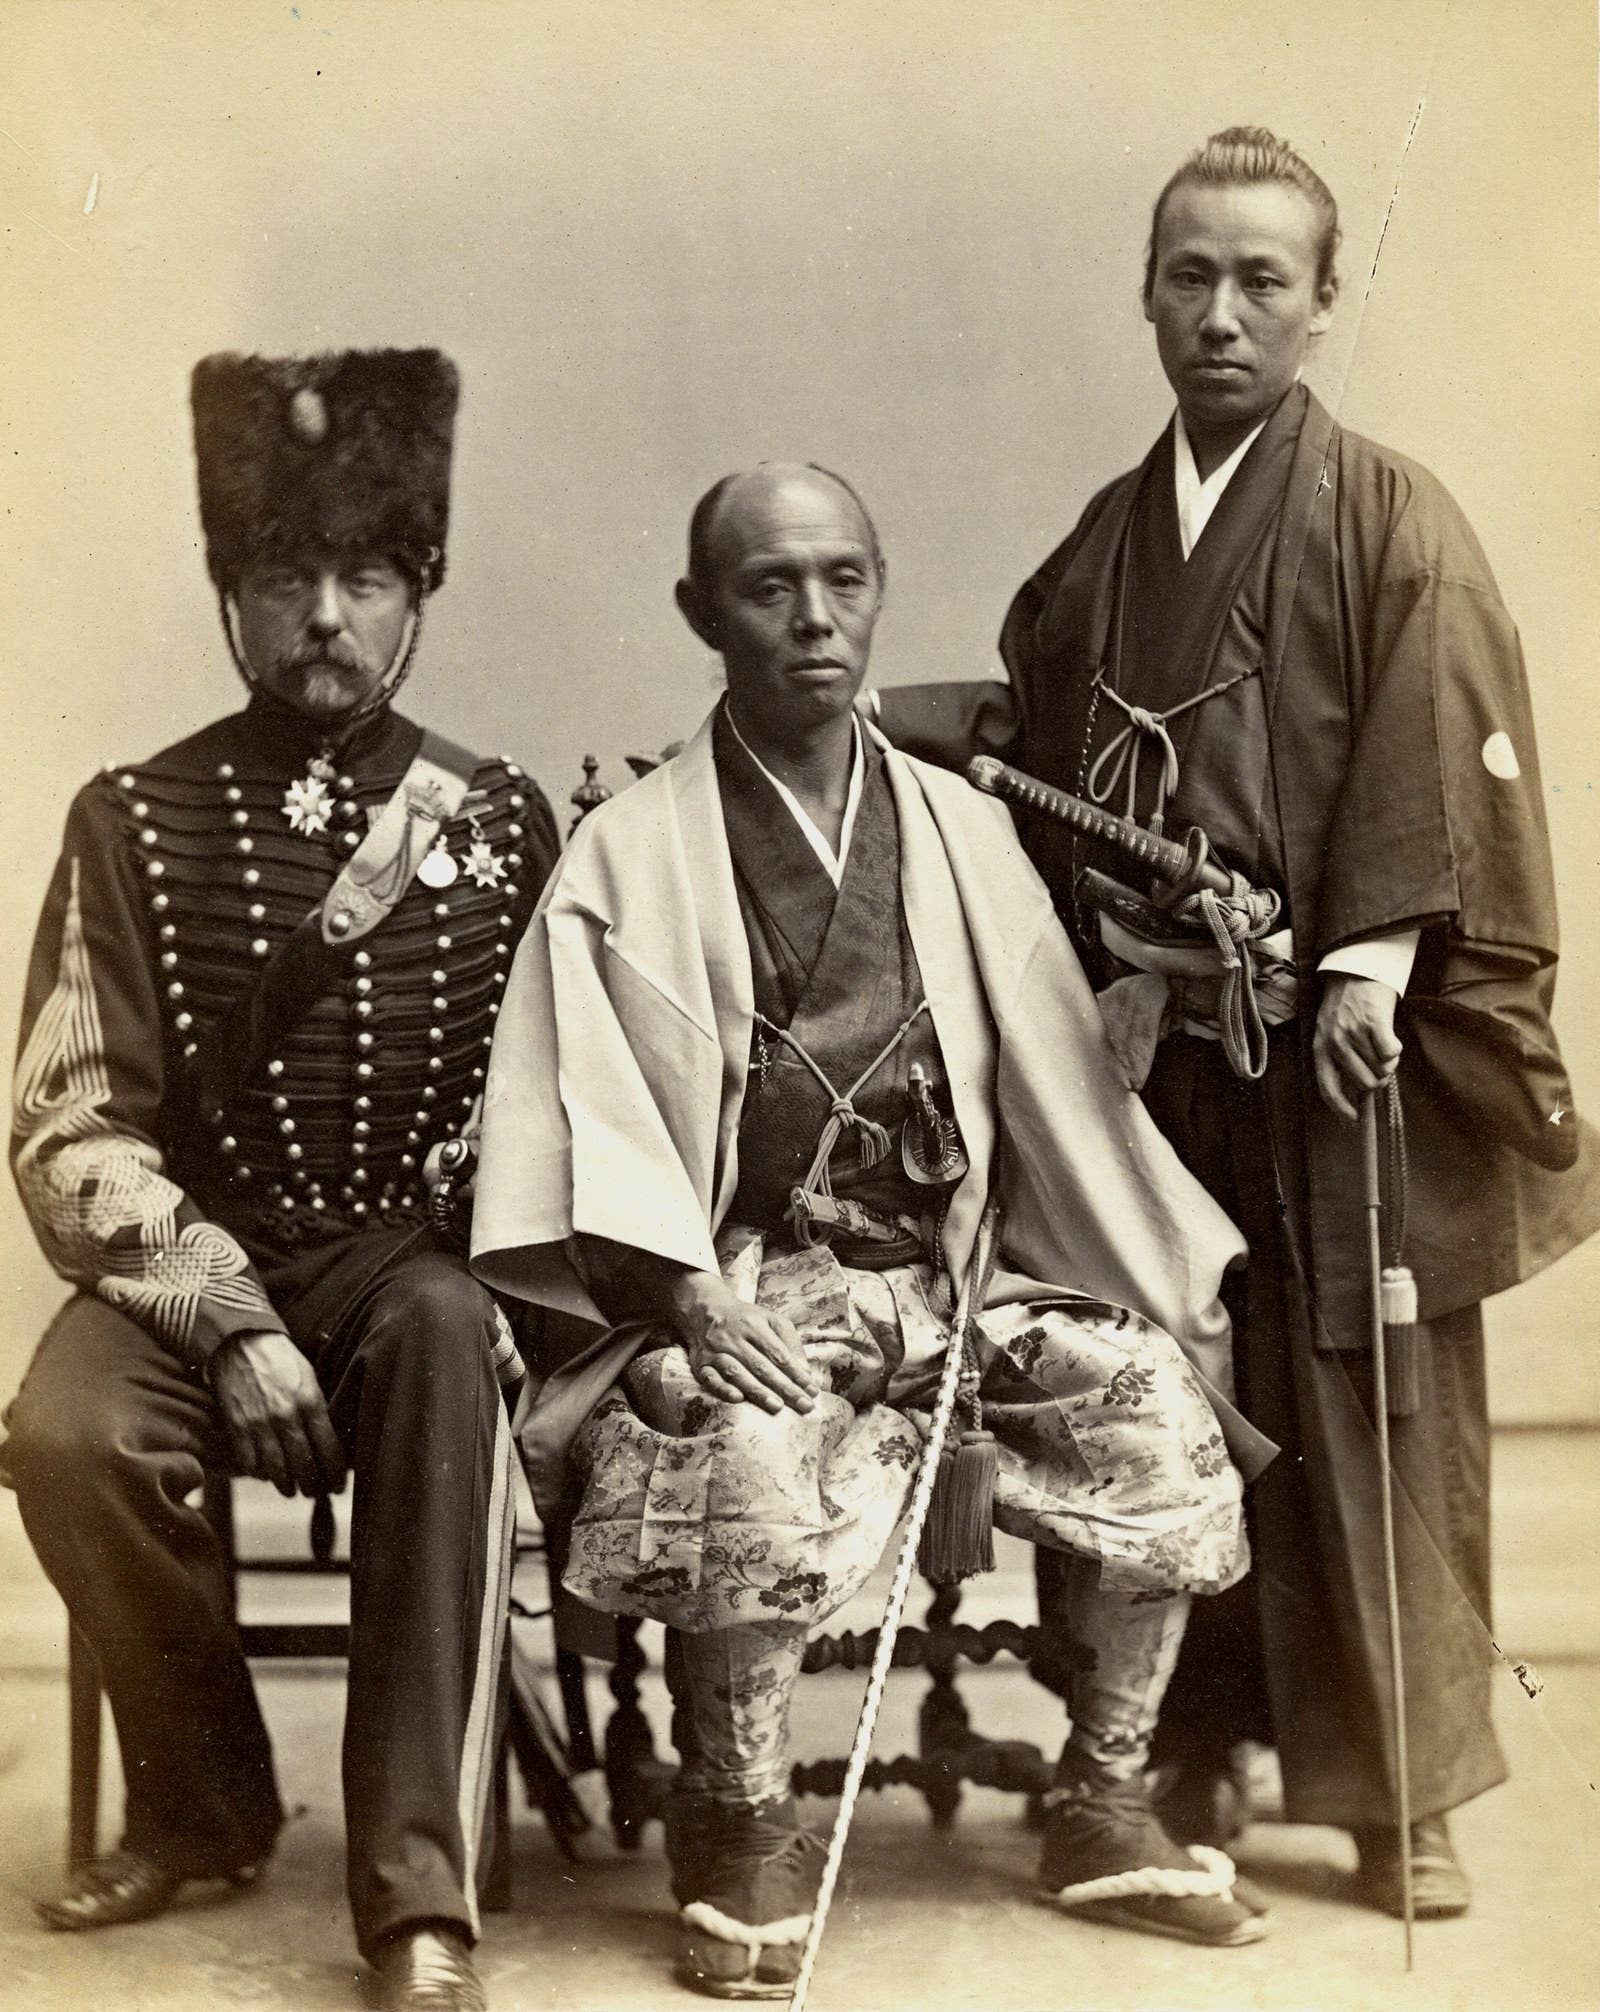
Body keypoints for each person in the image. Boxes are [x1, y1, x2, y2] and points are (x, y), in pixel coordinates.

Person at [871, 128, 1600, 1919]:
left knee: (1360, 1399)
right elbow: (1040, 759)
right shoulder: (1105, 549)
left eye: (1264, 279)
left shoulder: (1389, 519)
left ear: (1324, 302)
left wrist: (1368, 968)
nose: (1223, 314)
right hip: (1162, 1053)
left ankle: (1401, 1789)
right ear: (1146, 293)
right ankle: (1173, 1745)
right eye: (1189, 276)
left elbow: (1442, 760)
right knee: (1167, 1388)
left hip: (1330, 1047)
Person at [471, 460, 1283, 1999]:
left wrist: (1127, 1187)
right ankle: (740, 1818)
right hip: (746, 1279)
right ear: (701, 613)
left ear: (879, 590)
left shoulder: (959, 825)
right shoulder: (629, 853)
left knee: (1156, 1412)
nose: (815, 620)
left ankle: (1102, 1799)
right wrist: (696, 1300)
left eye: (845, 580)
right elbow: (587, 1118)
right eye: (770, 588)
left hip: (950, 1269)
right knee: (741, 1445)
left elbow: (1046, 1074)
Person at [2, 349, 558, 2012]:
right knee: (66, 1436)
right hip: (191, 1269)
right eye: (282, 576)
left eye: (364, 576)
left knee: (454, 1344)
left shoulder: (512, 822)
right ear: (229, 597)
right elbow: (69, 1120)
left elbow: (560, 1105)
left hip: (409, 1264)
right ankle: (207, 1804)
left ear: (420, 592)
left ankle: (414, 1899)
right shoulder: (132, 818)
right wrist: (231, 1320)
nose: (324, 611)